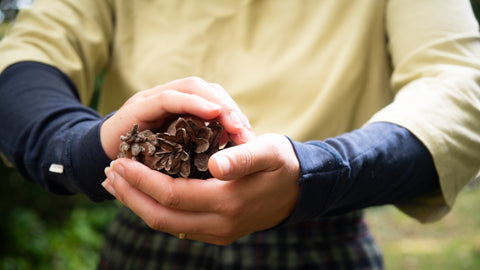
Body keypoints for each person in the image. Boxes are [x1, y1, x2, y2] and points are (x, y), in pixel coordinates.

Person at [1, 0, 479, 269]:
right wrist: (82, 148)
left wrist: (319, 171)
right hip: (151, 240)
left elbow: (462, 85)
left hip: (324, 242)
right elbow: (24, 59)